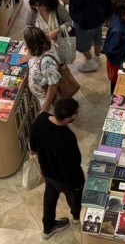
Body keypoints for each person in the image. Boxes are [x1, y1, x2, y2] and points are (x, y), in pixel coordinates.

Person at [29, 97, 83, 240]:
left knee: (50, 197)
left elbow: (33, 145)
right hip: (65, 179)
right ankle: (76, 216)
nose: (77, 115)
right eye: (75, 113)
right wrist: (78, 182)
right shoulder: (67, 139)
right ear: (67, 119)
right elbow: (73, 164)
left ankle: (48, 227)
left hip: (47, 171)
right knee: (74, 196)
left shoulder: (41, 119)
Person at [26, 0, 76, 67]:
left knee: (61, 65)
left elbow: (68, 21)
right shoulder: (33, 11)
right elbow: (28, 26)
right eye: (36, 5)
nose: (38, 9)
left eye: (41, 5)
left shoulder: (58, 8)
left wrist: (57, 31)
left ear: (48, 3)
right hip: (42, 47)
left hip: (60, 43)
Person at [25, 26, 60, 114]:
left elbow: (53, 84)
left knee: (49, 120)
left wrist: (46, 104)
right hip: (39, 94)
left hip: (46, 98)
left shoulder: (46, 62)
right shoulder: (40, 49)